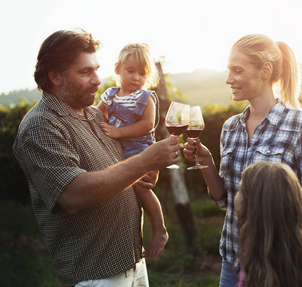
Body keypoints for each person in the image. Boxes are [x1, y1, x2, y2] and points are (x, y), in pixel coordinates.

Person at [13, 29, 181, 287]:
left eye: (96, 69)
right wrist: (145, 161)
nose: (96, 80)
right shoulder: (41, 126)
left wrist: (143, 169)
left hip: (133, 262)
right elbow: (74, 195)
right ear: (55, 76)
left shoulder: (94, 115)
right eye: (85, 72)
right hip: (97, 275)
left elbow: (124, 166)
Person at [183, 33, 302, 287]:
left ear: (265, 70)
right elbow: (225, 201)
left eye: (237, 71)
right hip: (232, 262)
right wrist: (207, 162)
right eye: (228, 70)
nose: (228, 79)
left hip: (278, 267)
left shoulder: (300, 124)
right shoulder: (230, 127)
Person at [97, 43, 168, 259]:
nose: (137, 77)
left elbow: (148, 125)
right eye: (131, 71)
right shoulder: (110, 95)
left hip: (139, 149)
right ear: (118, 69)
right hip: (117, 151)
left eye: (142, 73)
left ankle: (160, 230)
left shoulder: (145, 98)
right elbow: (97, 115)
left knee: (141, 187)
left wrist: (119, 132)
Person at [234, 161, 302, 287]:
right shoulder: (289, 256)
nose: (235, 196)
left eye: (239, 191)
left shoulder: (264, 273)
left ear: (254, 204)